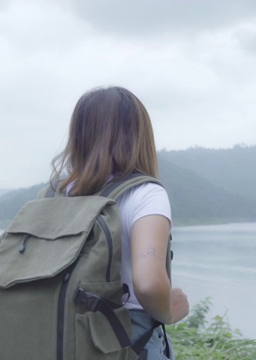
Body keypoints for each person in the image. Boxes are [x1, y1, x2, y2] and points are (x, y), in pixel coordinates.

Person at [50, 86, 189, 359]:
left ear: (79, 136)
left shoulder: (55, 196)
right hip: (125, 335)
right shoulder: (145, 194)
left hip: (61, 334)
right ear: (139, 135)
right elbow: (148, 283)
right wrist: (171, 311)